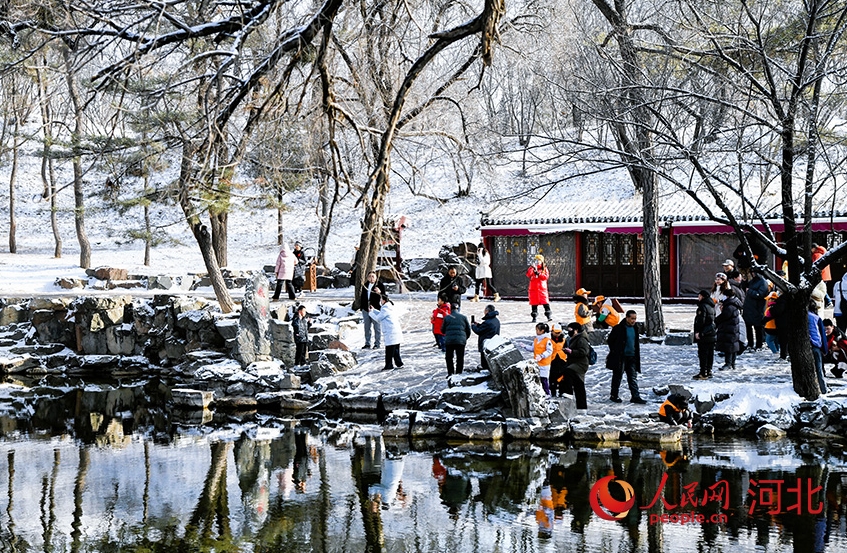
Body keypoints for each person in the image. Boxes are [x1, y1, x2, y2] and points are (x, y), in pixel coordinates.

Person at [606, 310, 646, 404]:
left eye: (635, 319)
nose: (633, 321)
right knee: (617, 376)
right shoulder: (618, 328)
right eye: (632, 318)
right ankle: (614, 395)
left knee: (632, 377)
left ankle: (635, 396)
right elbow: (610, 341)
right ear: (627, 318)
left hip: (632, 356)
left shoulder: (635, 328)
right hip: (621, 357)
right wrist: (616, 351)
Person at [369, 294, 404, 370]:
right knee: (395, 349)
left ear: (384, 300)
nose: (380, 301)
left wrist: (371, 313)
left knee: (389, 349)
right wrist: (374, 310)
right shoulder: (388, 307)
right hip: (394, 331)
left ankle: (389, 365)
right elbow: (381, 314)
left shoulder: (385, 309)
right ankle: (399, 363)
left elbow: (378, 318)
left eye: (381, 300)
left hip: (391, 332)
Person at [562, 322, 590, 409]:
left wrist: (571, 352)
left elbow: (584, 352)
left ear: (576, 330)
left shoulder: (581, 339)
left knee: (568, 372)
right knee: (579, 385)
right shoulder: (573, 338)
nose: (569, 332)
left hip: (580, 364)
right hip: (574, 362)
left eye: (570, 330)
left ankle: (568, 392)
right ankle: (581, 408)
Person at [715, 288, 742, 371]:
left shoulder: (729, 306)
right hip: (732, 328)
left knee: (729, 347)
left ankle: (728, 363)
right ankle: (732, 364)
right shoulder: (734, 304)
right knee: (732, 346)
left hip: (729, 329)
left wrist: (716, 320)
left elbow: (724, 316)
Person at [692, 289, 717, 380]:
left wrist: (699, 332)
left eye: (699, 296)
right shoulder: (712, 307)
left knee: (703, 353)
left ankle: (703, 373)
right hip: (711, 333)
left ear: (702, 296)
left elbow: (700, 321)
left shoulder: (702, 307)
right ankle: (709, 371)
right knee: (710, 353)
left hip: (704, 334)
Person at [742, 271, 768, 350]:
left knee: (758, 327)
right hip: (749, 308)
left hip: (757, 308)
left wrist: (749, 291)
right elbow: (744, 288)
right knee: (748, 326)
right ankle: (750, 344)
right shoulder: (753, 281)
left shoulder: (763, 282)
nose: (752, 274)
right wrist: (744, 281)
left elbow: (760, 294)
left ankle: (759, 344)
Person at [441, 307, 471, 376]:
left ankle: (450, 373)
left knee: (449, 357)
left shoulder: (447, 318)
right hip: (460, 341)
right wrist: (464, 338)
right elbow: (468, 330)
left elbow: (442, 330)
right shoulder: (463, 317)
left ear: (451, 310)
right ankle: (459, 373)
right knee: (460, 358)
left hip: (449, 341)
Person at [471, 304, 500, 372]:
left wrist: (473, 326)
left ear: (487, 311)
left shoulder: (488, 322)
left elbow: (478, 331)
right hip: (493, 343)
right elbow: (485, 328)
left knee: (485, 362)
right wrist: (478, 325)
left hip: (486, 344)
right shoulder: (495, 320)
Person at [809, 301, 828, 394]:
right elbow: (822, 335)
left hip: (806, 346)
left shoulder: (798, 318)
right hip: (815, 346)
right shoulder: (816, 318)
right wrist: (825, 350)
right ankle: (823, 389)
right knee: (819, 370)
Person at [360, 271, 382, 349]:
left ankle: (377, 343)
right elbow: (362, 296)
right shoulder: (365, 285)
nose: (371, 278)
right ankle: (367, 343)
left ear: (376, 277)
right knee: (367, 327)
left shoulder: (379, 285)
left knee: (377, 327)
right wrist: (362, 307)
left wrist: (380, 292)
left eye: (373, 276)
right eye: (370, 276)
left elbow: (384, 297)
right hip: (366, 309)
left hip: (375, 309)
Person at [527, 255, 552, 322]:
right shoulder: (532, 268)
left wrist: (539, 274)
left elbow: (545, 277)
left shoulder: (544, 269)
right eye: (536, 260)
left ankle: (548, 316)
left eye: (539, 260)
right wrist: (532, 268)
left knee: (545, 303)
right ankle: (534, 317)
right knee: (534, 304)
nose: (537, 262)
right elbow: (528, 274)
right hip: (534, 289)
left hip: (542, 289)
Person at [533, 322, 554, 395]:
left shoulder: (547, 340)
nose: (536, 331)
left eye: (537, 330)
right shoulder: (536, 339)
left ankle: (547, 393)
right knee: (538, 379)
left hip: (544, 363)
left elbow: (549, 351)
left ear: (542, 331)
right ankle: (541, 393)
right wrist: (525, 346)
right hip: (537, 363)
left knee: (544, 379)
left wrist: (542, 356)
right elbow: (533, 348)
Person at [548, 323, 568, 397]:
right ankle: (553, 393)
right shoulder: (548, 340)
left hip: (562, 361)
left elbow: (567, 348)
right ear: (552, 331)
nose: (557, 334)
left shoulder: (564, 340)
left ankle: (561, 392)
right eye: (555, 332)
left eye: (558, 332)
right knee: (552, 378)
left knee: (562, 377)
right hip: (552, 361)